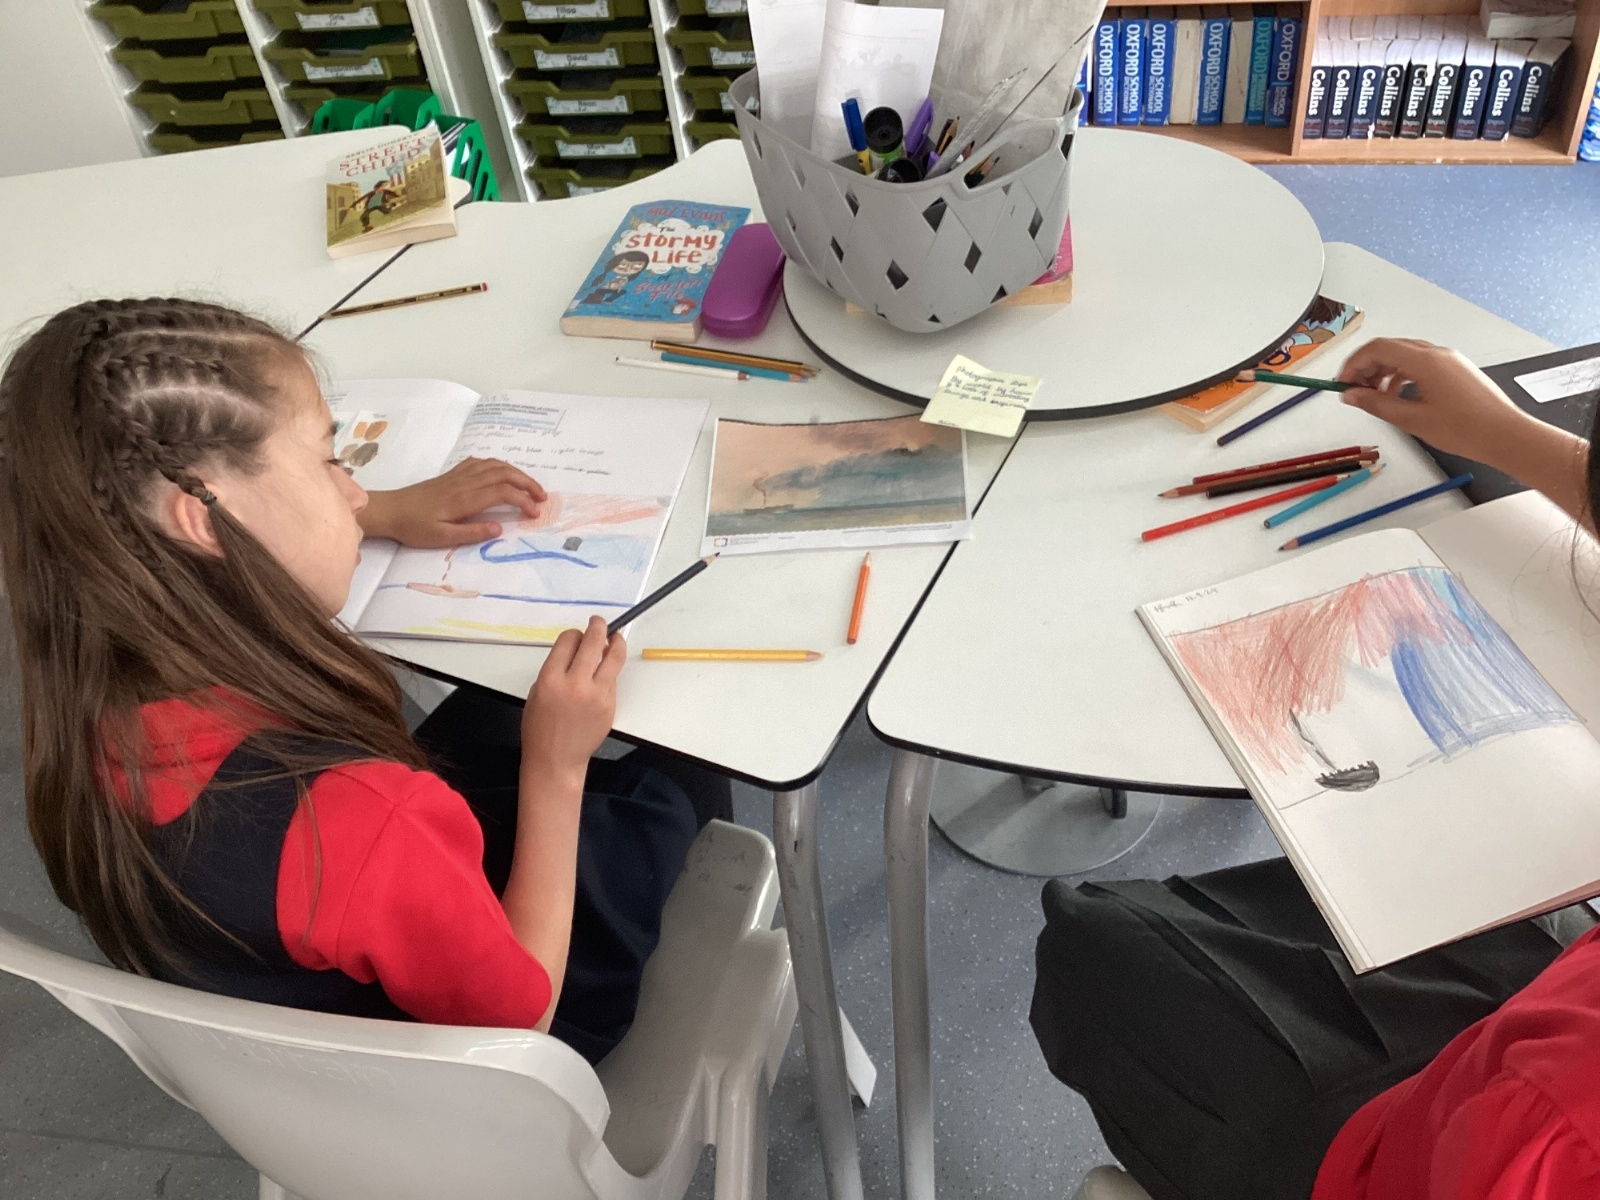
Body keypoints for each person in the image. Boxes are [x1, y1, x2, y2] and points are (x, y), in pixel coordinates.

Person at [0, 297, 730, 1065]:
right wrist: (557, 769)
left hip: (302, 1016)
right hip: (505, 1042)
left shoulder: (84, 707)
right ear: (205, 520)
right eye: (328, 461)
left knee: (499, 700)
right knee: (688, 757)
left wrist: (383, 513)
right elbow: (523, 1023)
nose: (353, 493)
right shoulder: (372, 820)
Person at [1031, 337, 1600, 1200]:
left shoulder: (1553, 1125)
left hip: (1389, 1157)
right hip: (1533, 1024)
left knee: (1094, 943)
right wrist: (1500, 431)